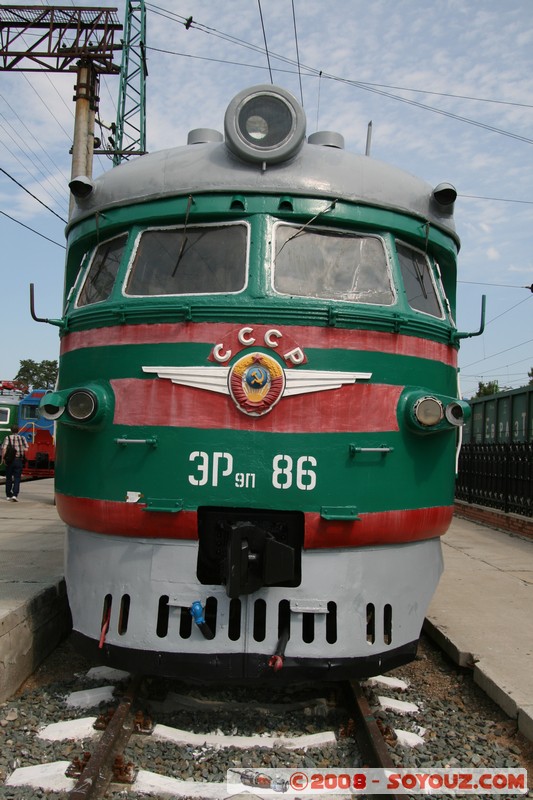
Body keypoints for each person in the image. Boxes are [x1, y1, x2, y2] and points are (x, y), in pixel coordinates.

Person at [1, 425, 29, 502]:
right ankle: (15, 495)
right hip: (18, 460)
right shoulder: (22, 438)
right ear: (18, 430)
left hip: (10, 461)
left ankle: (8, 495)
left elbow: (4, 449)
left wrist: (3, 458)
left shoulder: (8, 438)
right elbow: (26, 448)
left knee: (9, 478)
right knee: (17, 478)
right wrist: (20, 450)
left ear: (11, 430)